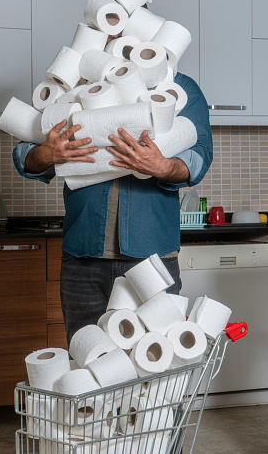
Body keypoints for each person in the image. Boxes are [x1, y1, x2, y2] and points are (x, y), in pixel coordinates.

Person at [13, 42, 213, 346]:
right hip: (83, 259)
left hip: (153, 255)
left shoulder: (177, 89)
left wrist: (161, 165)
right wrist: (47, 153)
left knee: (155, 369)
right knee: (88, 365)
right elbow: (26, 151)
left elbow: (200, 155)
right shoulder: (76, 89)